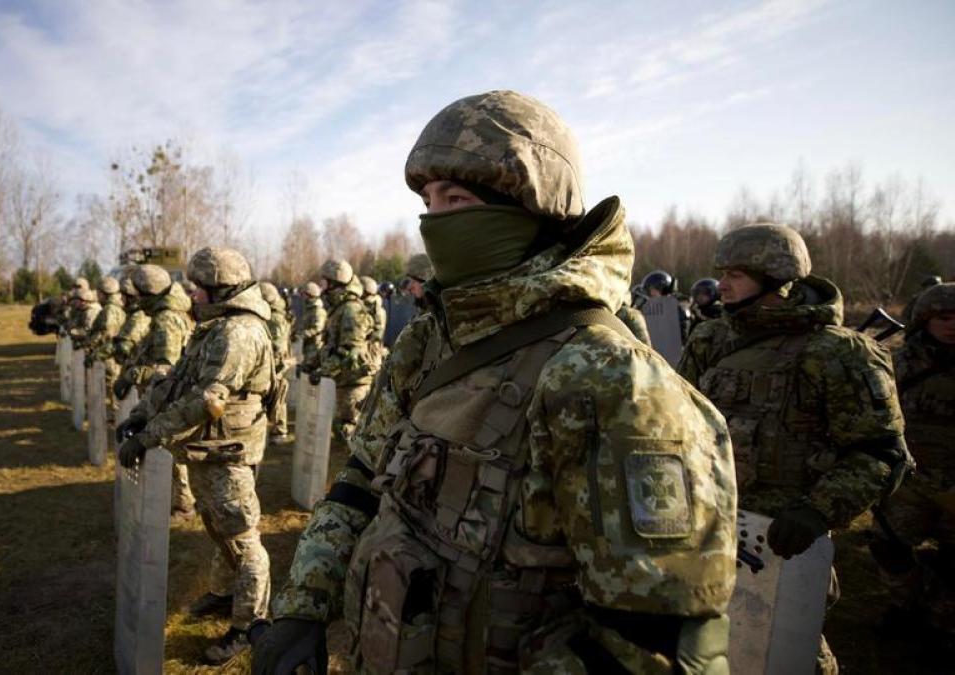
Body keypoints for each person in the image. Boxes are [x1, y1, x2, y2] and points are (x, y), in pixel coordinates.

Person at [253, 90, 737, 674]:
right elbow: (361, 481)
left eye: (456, 198)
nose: (435, 221)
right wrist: (304, 606)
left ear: (532, 209)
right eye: (428, 201)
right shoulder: (430, 340)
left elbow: (650, 647)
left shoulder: (610, 379)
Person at [677, 223, 911, 674]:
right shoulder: (710, 339)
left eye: (737, 275)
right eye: (722, 273)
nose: (721, 285)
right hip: (708, 526)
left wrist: (817, 510)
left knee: (787, 652)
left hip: (783, 538)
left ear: (776, 281)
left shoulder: (837, 353)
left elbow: (881, 452)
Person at [116, 247, 274, 665]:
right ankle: (225, 595)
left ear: (219, 289)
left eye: (197, 286)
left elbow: (205, 401)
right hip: (209, 450)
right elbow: (178, 381)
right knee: (219, 528)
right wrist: (141, 414)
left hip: (230, 452)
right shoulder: (216, 326)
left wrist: (149, 437)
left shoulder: (238, 333)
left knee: (242, 538)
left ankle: (250, 624)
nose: (190, 293)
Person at [873, 282, 955, 642]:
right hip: (908, 480)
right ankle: (905, 606)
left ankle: (944, 626)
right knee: (889, 547)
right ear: (924, 320)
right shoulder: (895, 363)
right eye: (945, 317)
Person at [120, 265, 197, 520]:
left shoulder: (167, 320)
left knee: (169, 447)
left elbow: (167, 368)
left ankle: (183, 504)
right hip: (160, 394)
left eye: (140, 293)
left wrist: (134, 375)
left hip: (165, 395)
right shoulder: (166, 314)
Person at [309, 260, 374, 448]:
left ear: (335, 283)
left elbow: (350, 351)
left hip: (354, 380)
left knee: (350, 427)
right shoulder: (340, 308)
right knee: (342, 428)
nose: (321, 287)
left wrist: (323, 371)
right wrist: (313, 364)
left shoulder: (351, 310)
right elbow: (332, 345)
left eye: (324, 282)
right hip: (344, 377)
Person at [85, 276, 127, 415]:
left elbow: (107, 332)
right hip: (113, 352)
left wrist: (91, 343)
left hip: (110, 354)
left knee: (112, 384)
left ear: (104, 293)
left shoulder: (110, 310)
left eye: (98, 293)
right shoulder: (117, 307)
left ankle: (116, 415)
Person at [259, 281, 293, 445]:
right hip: (274, 362)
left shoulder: (275, 317)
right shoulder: (273, 314)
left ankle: (280, 430)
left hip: (276, 363)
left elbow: (278, 346)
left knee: (278, 397)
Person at [293, 282, 327, 373]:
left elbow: (318, 328)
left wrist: (303, 334)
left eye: (305, 295)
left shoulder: (318, 311)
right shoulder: (309, 310)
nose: (303, 298)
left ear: (310, 295)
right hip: (308, 347)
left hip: (315, 347)